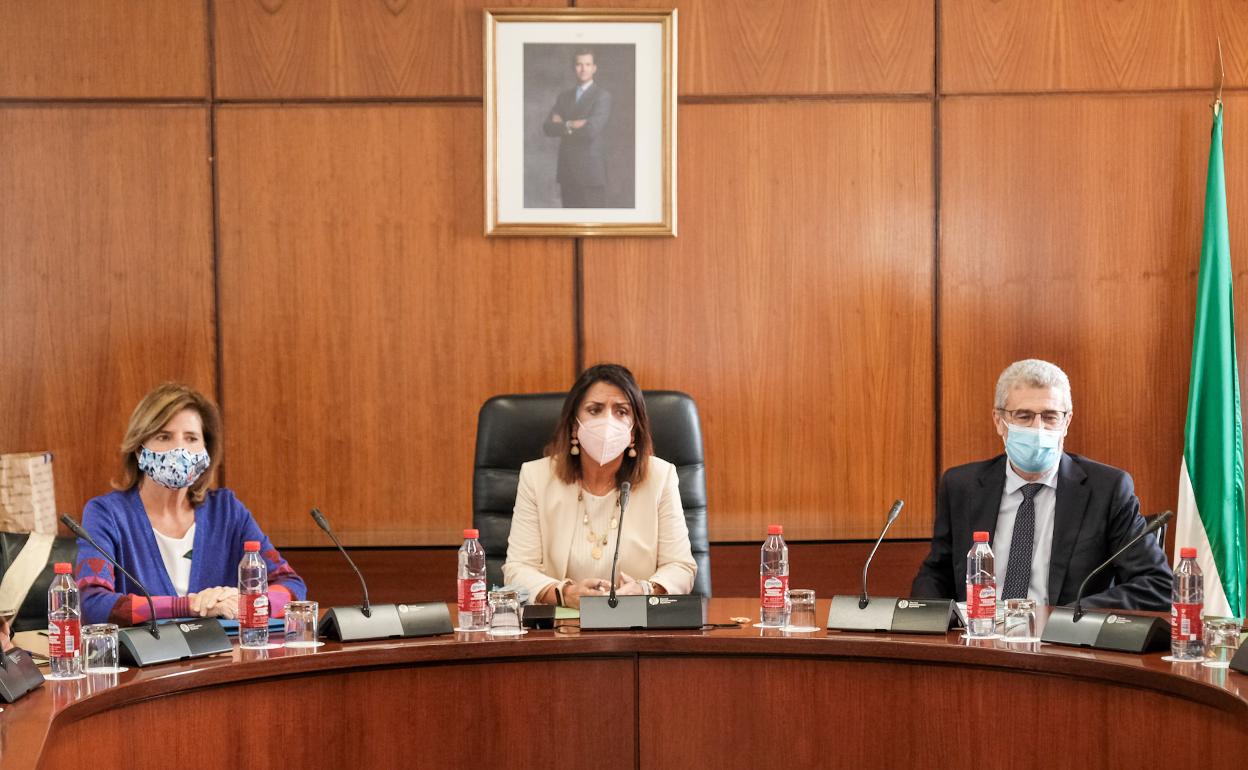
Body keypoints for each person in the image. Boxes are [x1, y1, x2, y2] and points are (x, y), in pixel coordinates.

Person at [911, 359, 1172, 610]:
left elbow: (1156, 584)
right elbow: (937, 572)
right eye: (1023, 416)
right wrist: (931, 618)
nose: (1038, 428)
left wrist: (1066, 617)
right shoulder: (962, 486)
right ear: (999, 421)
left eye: (1049, 416)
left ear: (1067, 421)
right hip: (980, 638)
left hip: (1061, 645)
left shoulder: (1108, 489)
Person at [75, 383, 306, 626]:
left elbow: (291, 584)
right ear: (138, 449)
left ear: (206, 452)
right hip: (148, 661)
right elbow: (92, 603)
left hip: (223, 658)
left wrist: (244, 602)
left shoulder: (227, 511)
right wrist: (191, 606)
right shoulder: (106, 514)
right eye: (164, 436)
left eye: (191, 438)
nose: (179, 450)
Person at [503, 363, 696, 608]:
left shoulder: (661, 477)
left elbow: (681, 567)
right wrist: (565, 593)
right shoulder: (536, 477)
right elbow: (517, 569)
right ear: (574, 425)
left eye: (621, 411)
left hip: (637, 630)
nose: (608, 422)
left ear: (633, 431)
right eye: (595, 410)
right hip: (563, 632)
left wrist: (644, 590)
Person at [542, 48, 612, 208]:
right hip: (568, 171)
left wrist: (562, 123)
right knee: (569, 224)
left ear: (594, 68)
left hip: (590, 174)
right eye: (579, 64)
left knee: (593, 224)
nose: (583, 69)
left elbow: (590, 131)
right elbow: (547, 127)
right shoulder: (564, 97)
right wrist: (571, 124)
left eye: (587, 64)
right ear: (574, 68)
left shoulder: (602, 96)